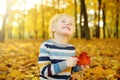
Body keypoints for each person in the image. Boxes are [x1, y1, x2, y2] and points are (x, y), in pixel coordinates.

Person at [38, 14, 82, 80]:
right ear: (53, 28)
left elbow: (71, 69)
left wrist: (80, 66)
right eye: (63, 21)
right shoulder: (46, 46)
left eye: (71, 23)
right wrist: (65, 63)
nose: (67, 24)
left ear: (73, 31)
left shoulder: (71, 48)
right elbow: (44, 71)